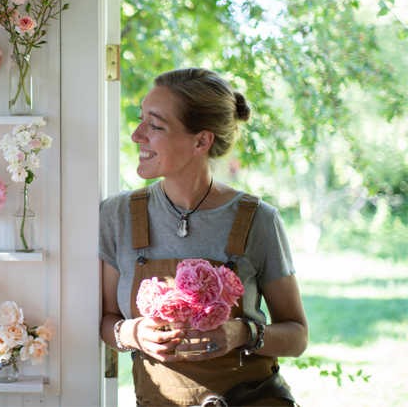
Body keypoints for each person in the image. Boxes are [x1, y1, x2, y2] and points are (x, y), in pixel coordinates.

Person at [99, 68, 308, 406]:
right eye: (141, 120)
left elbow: (297, 336)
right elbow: (107, 320)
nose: (137, 134)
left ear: (201, 141)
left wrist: (241, 333)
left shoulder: (258, 220)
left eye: (155, 125)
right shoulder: (118, 214)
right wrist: (132, 333)